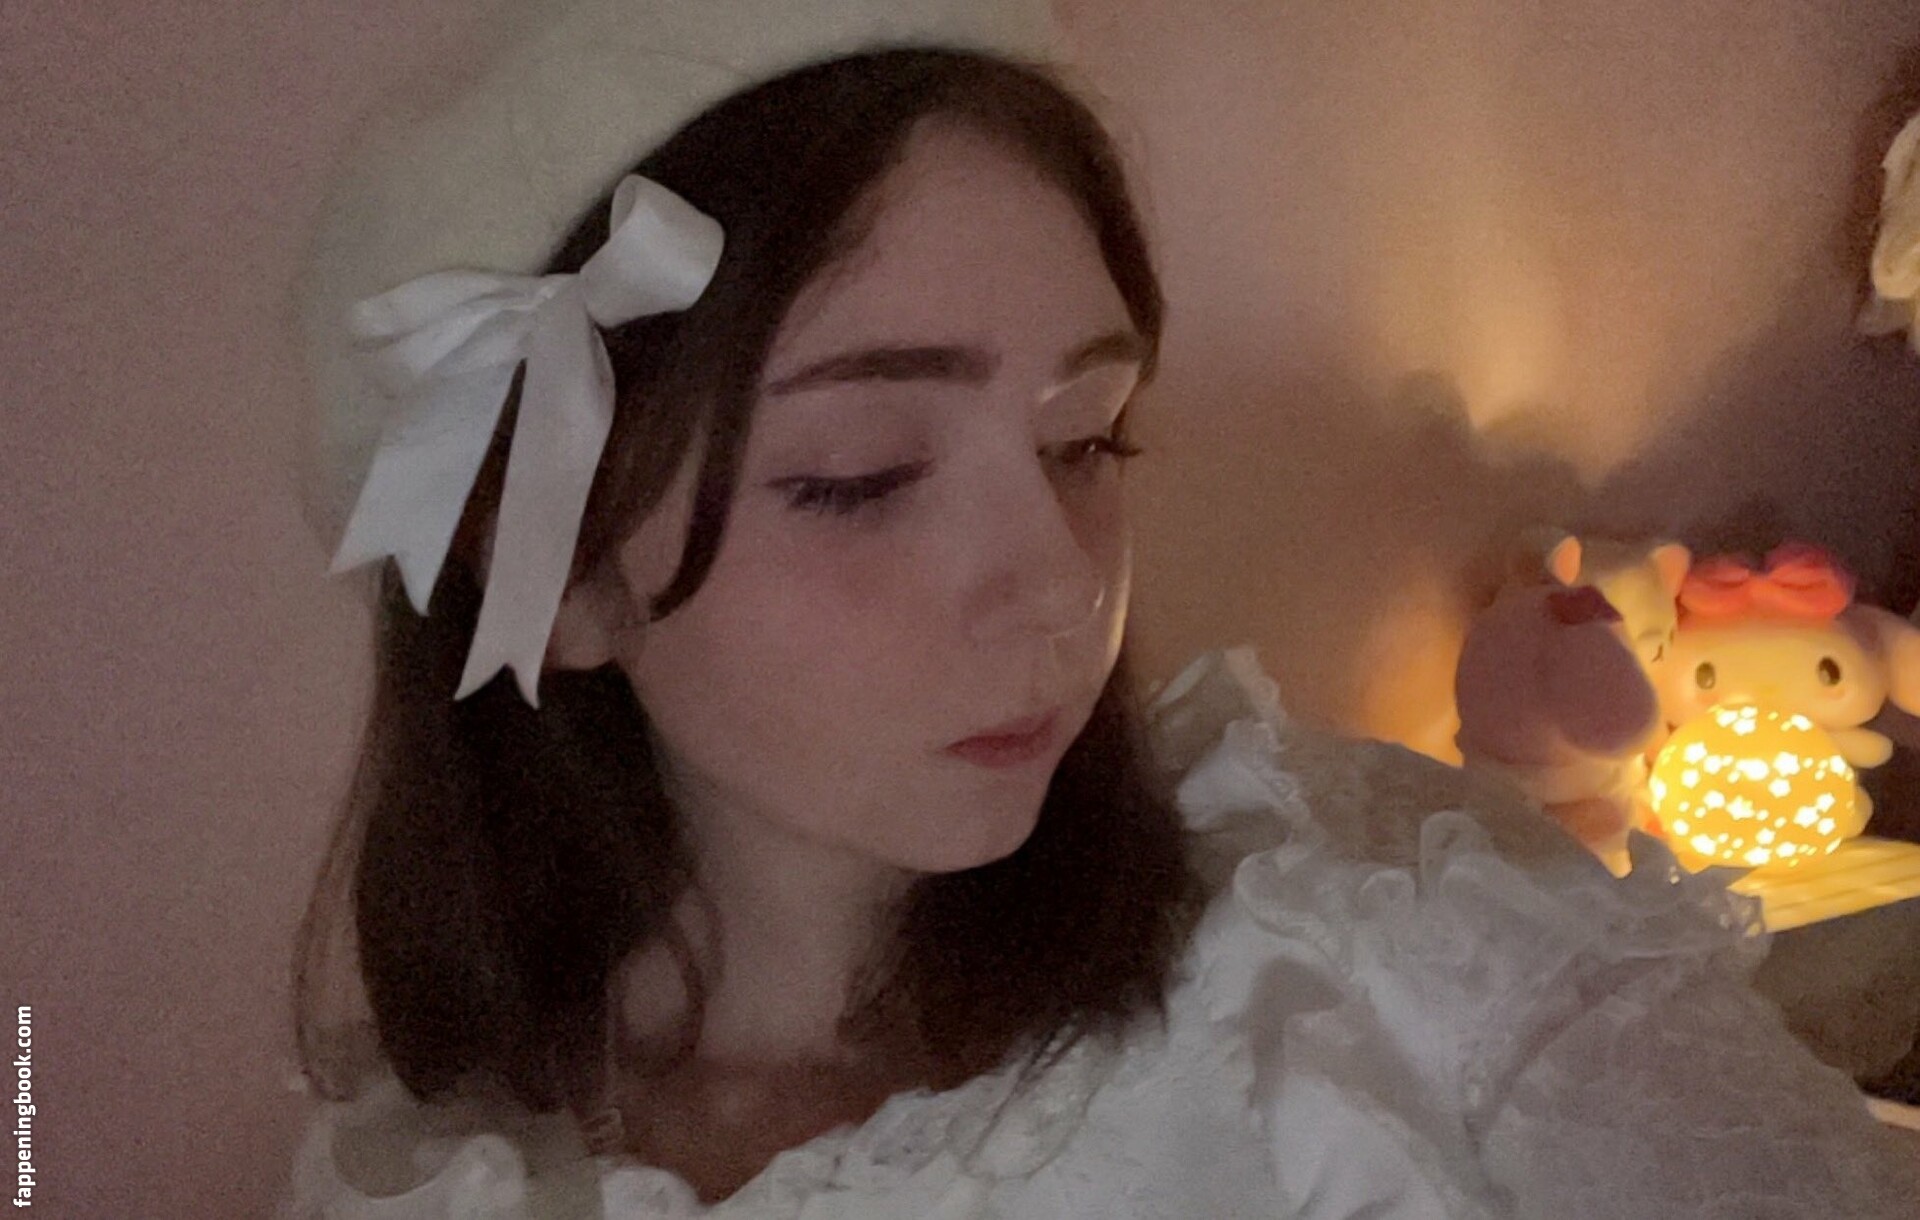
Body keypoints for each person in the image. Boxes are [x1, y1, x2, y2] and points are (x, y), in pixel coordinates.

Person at [280, 7, 1920, 1218]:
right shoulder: (427, 1180)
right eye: (859, 477)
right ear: (556, 579)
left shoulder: (1389, 949)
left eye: (1085, 441)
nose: (1066, 584)